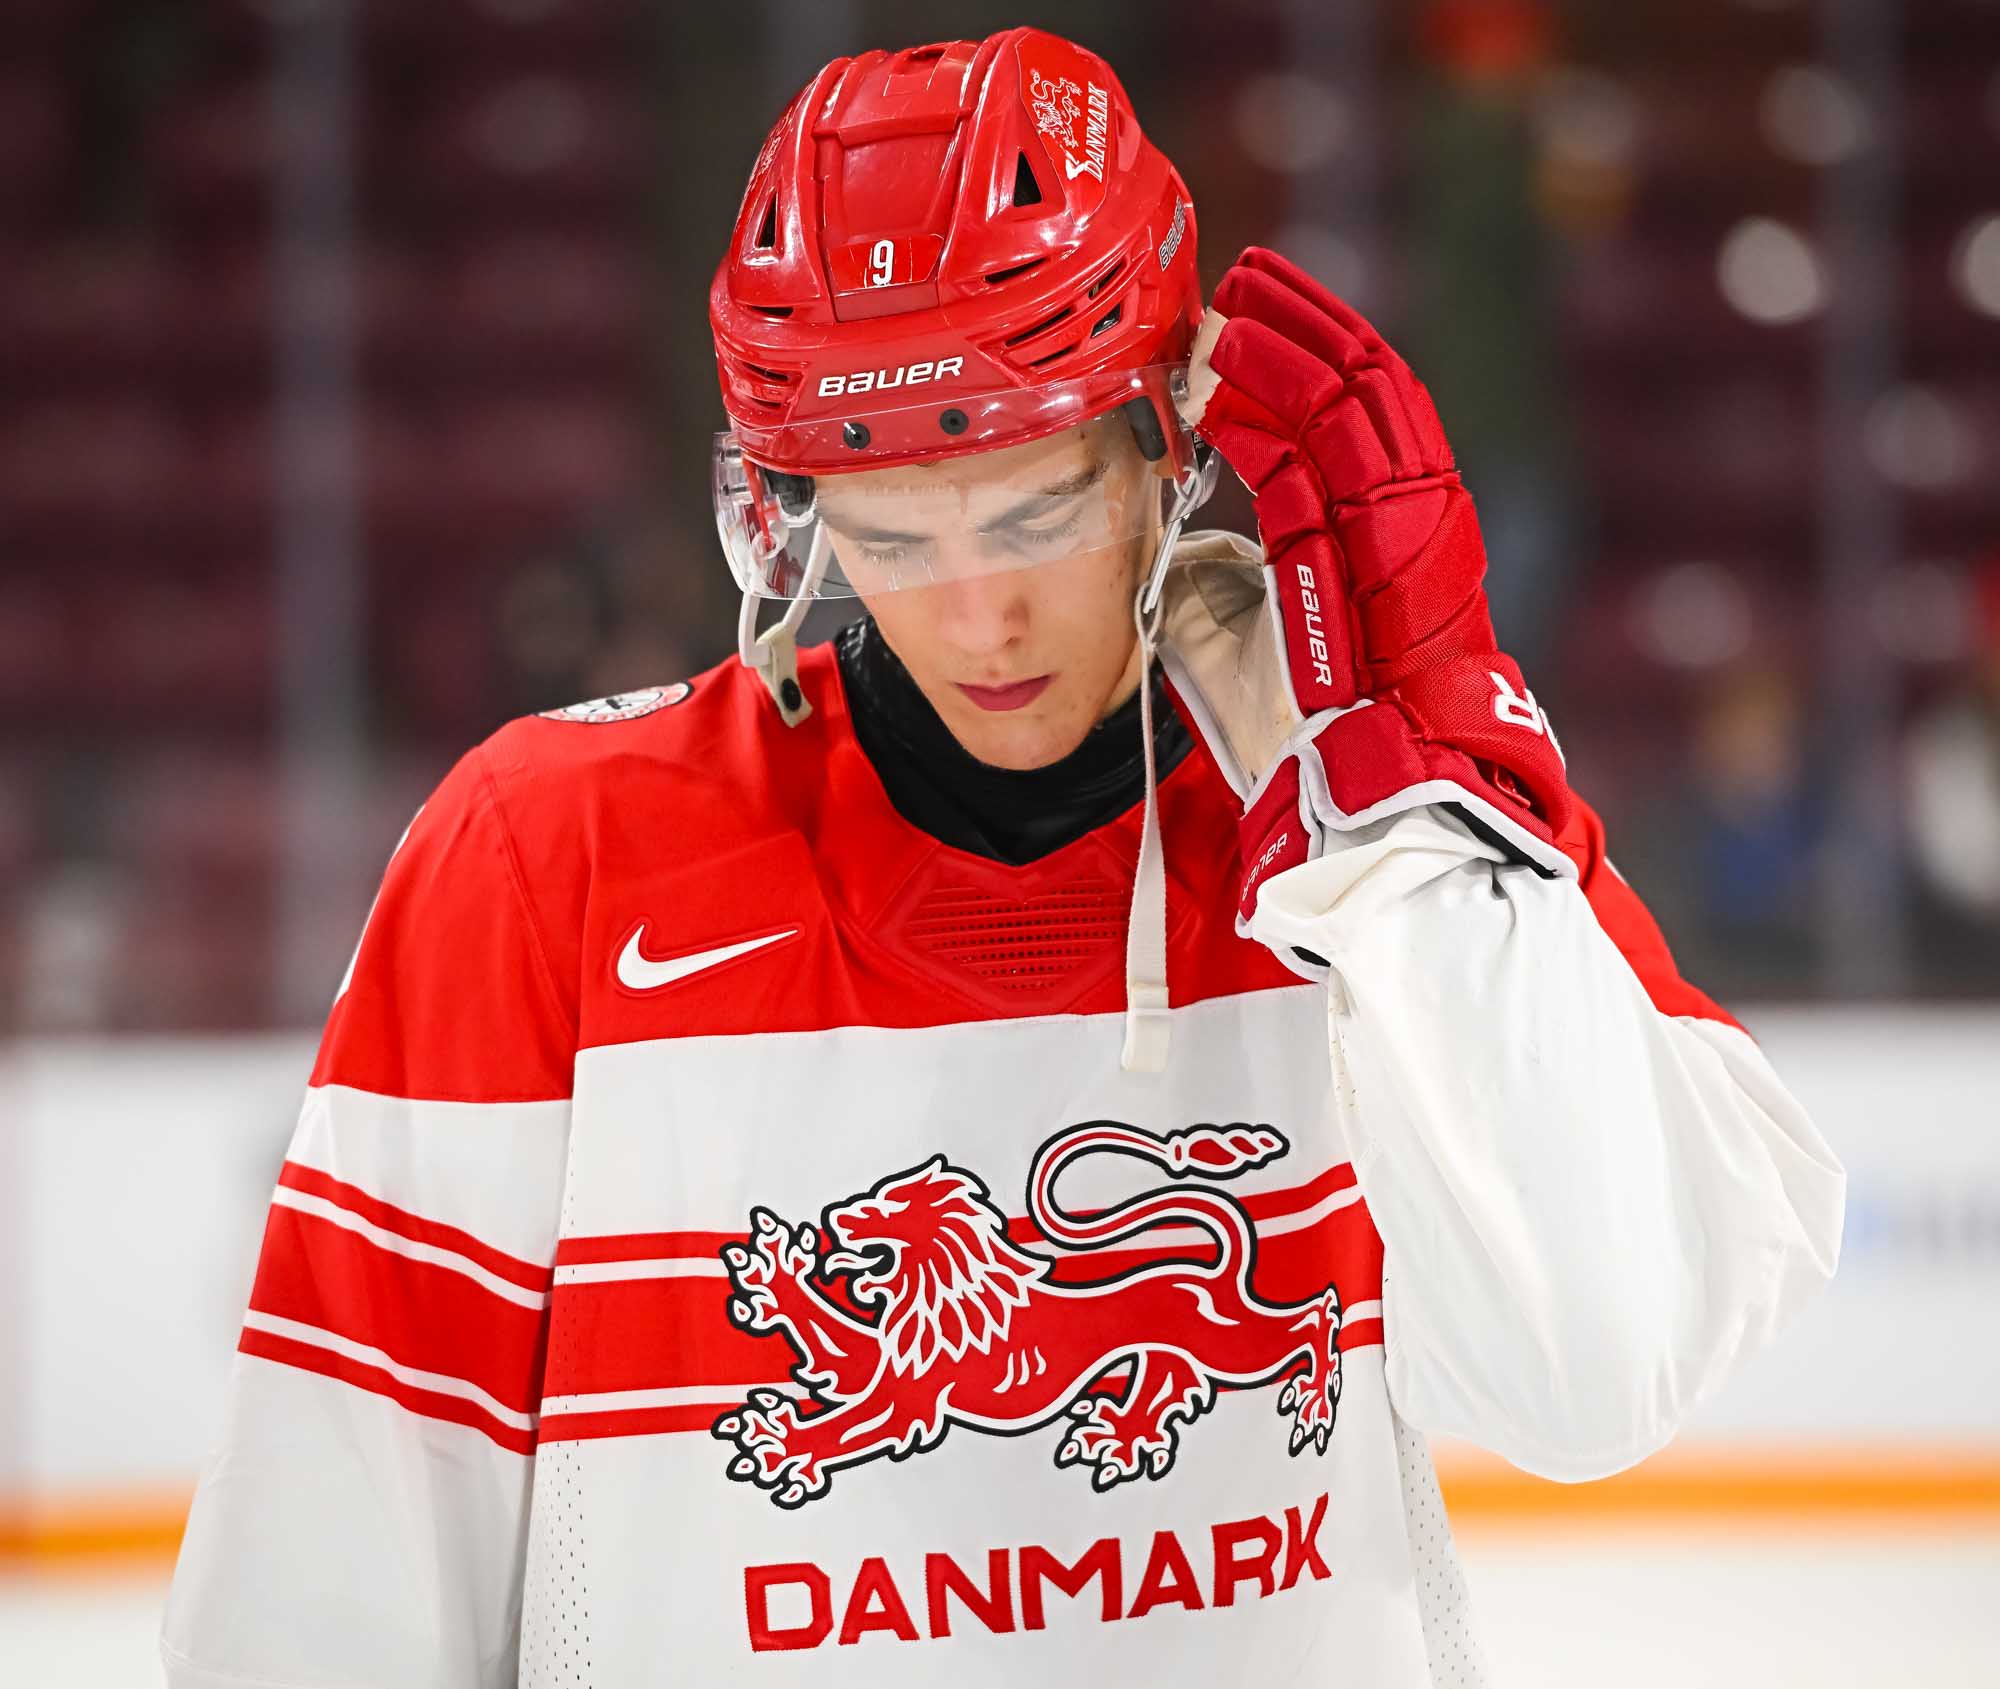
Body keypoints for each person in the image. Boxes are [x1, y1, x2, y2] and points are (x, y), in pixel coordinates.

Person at [161, 28, 1843, 1688]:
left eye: (1040, 513)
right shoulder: (547, 856)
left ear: (1170, 443)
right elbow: (316, 1605)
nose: (979, 619)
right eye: (891, 537)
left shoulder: (1380, 850)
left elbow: (1597, 1378)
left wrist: (1415, 778)